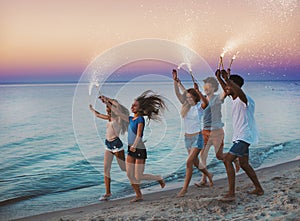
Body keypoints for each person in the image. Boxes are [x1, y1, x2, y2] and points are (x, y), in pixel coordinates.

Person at [102, 91, 166, 202]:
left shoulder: (140, 119)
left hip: (139, 148)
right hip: (131, 149)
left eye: (135, 105)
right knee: (129, 174)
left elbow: (139, 134)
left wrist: (135, 145)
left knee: (139, 176)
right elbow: (116, 110)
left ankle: (158, 178)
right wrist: (107, 101)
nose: (132, 106)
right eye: (132, 105)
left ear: (140, 108)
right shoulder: (130, 119)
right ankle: (138, 195)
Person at [216, 69, 264, 201]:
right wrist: (220, 78)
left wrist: (227, 80)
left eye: (228, 86)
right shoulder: (235, 99)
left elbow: (238, 92)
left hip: (244, 136)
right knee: (244, 164)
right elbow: (228, 91)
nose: (226, 89)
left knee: (227, 160)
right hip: (240, 136)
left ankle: (231, 193)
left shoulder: (245, 99)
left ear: (233, 86)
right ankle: (259, 189)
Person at [172, 69, 213, 197]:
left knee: (189, 162)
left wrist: (199, 92)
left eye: (190, 97)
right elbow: (180, 94)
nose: (188, 98)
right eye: (187, 97)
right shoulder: (186, 106)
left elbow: (206, 102)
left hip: (197, 138)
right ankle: (208, 174)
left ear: (194, 98)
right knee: (195, 162)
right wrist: (176, 82)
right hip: (187, 139)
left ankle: (184, 189)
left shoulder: (198, 108)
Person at [195, 76, 240, 186]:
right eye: (205, 86)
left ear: (214, 88)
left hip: (217, 132)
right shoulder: (202, 99)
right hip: (205, 132)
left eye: (209, 86)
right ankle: (204, 179)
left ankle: (234, 159)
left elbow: (225, 91)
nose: (206, 88)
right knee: (203, 156)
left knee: (219, 156)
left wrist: (226, 81)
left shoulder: (218, 97)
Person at [89, 96, 129, 201]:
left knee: (124, 168)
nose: (107, 111)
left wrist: (107, 101)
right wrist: (91, 109)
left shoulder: (120, 118)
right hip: (108, 145)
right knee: (106, 169)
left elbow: (117, 105)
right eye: (106, 110)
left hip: (117, 145)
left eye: (108, 109)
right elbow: (97, 115)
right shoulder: (109, 118)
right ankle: (108, 192)